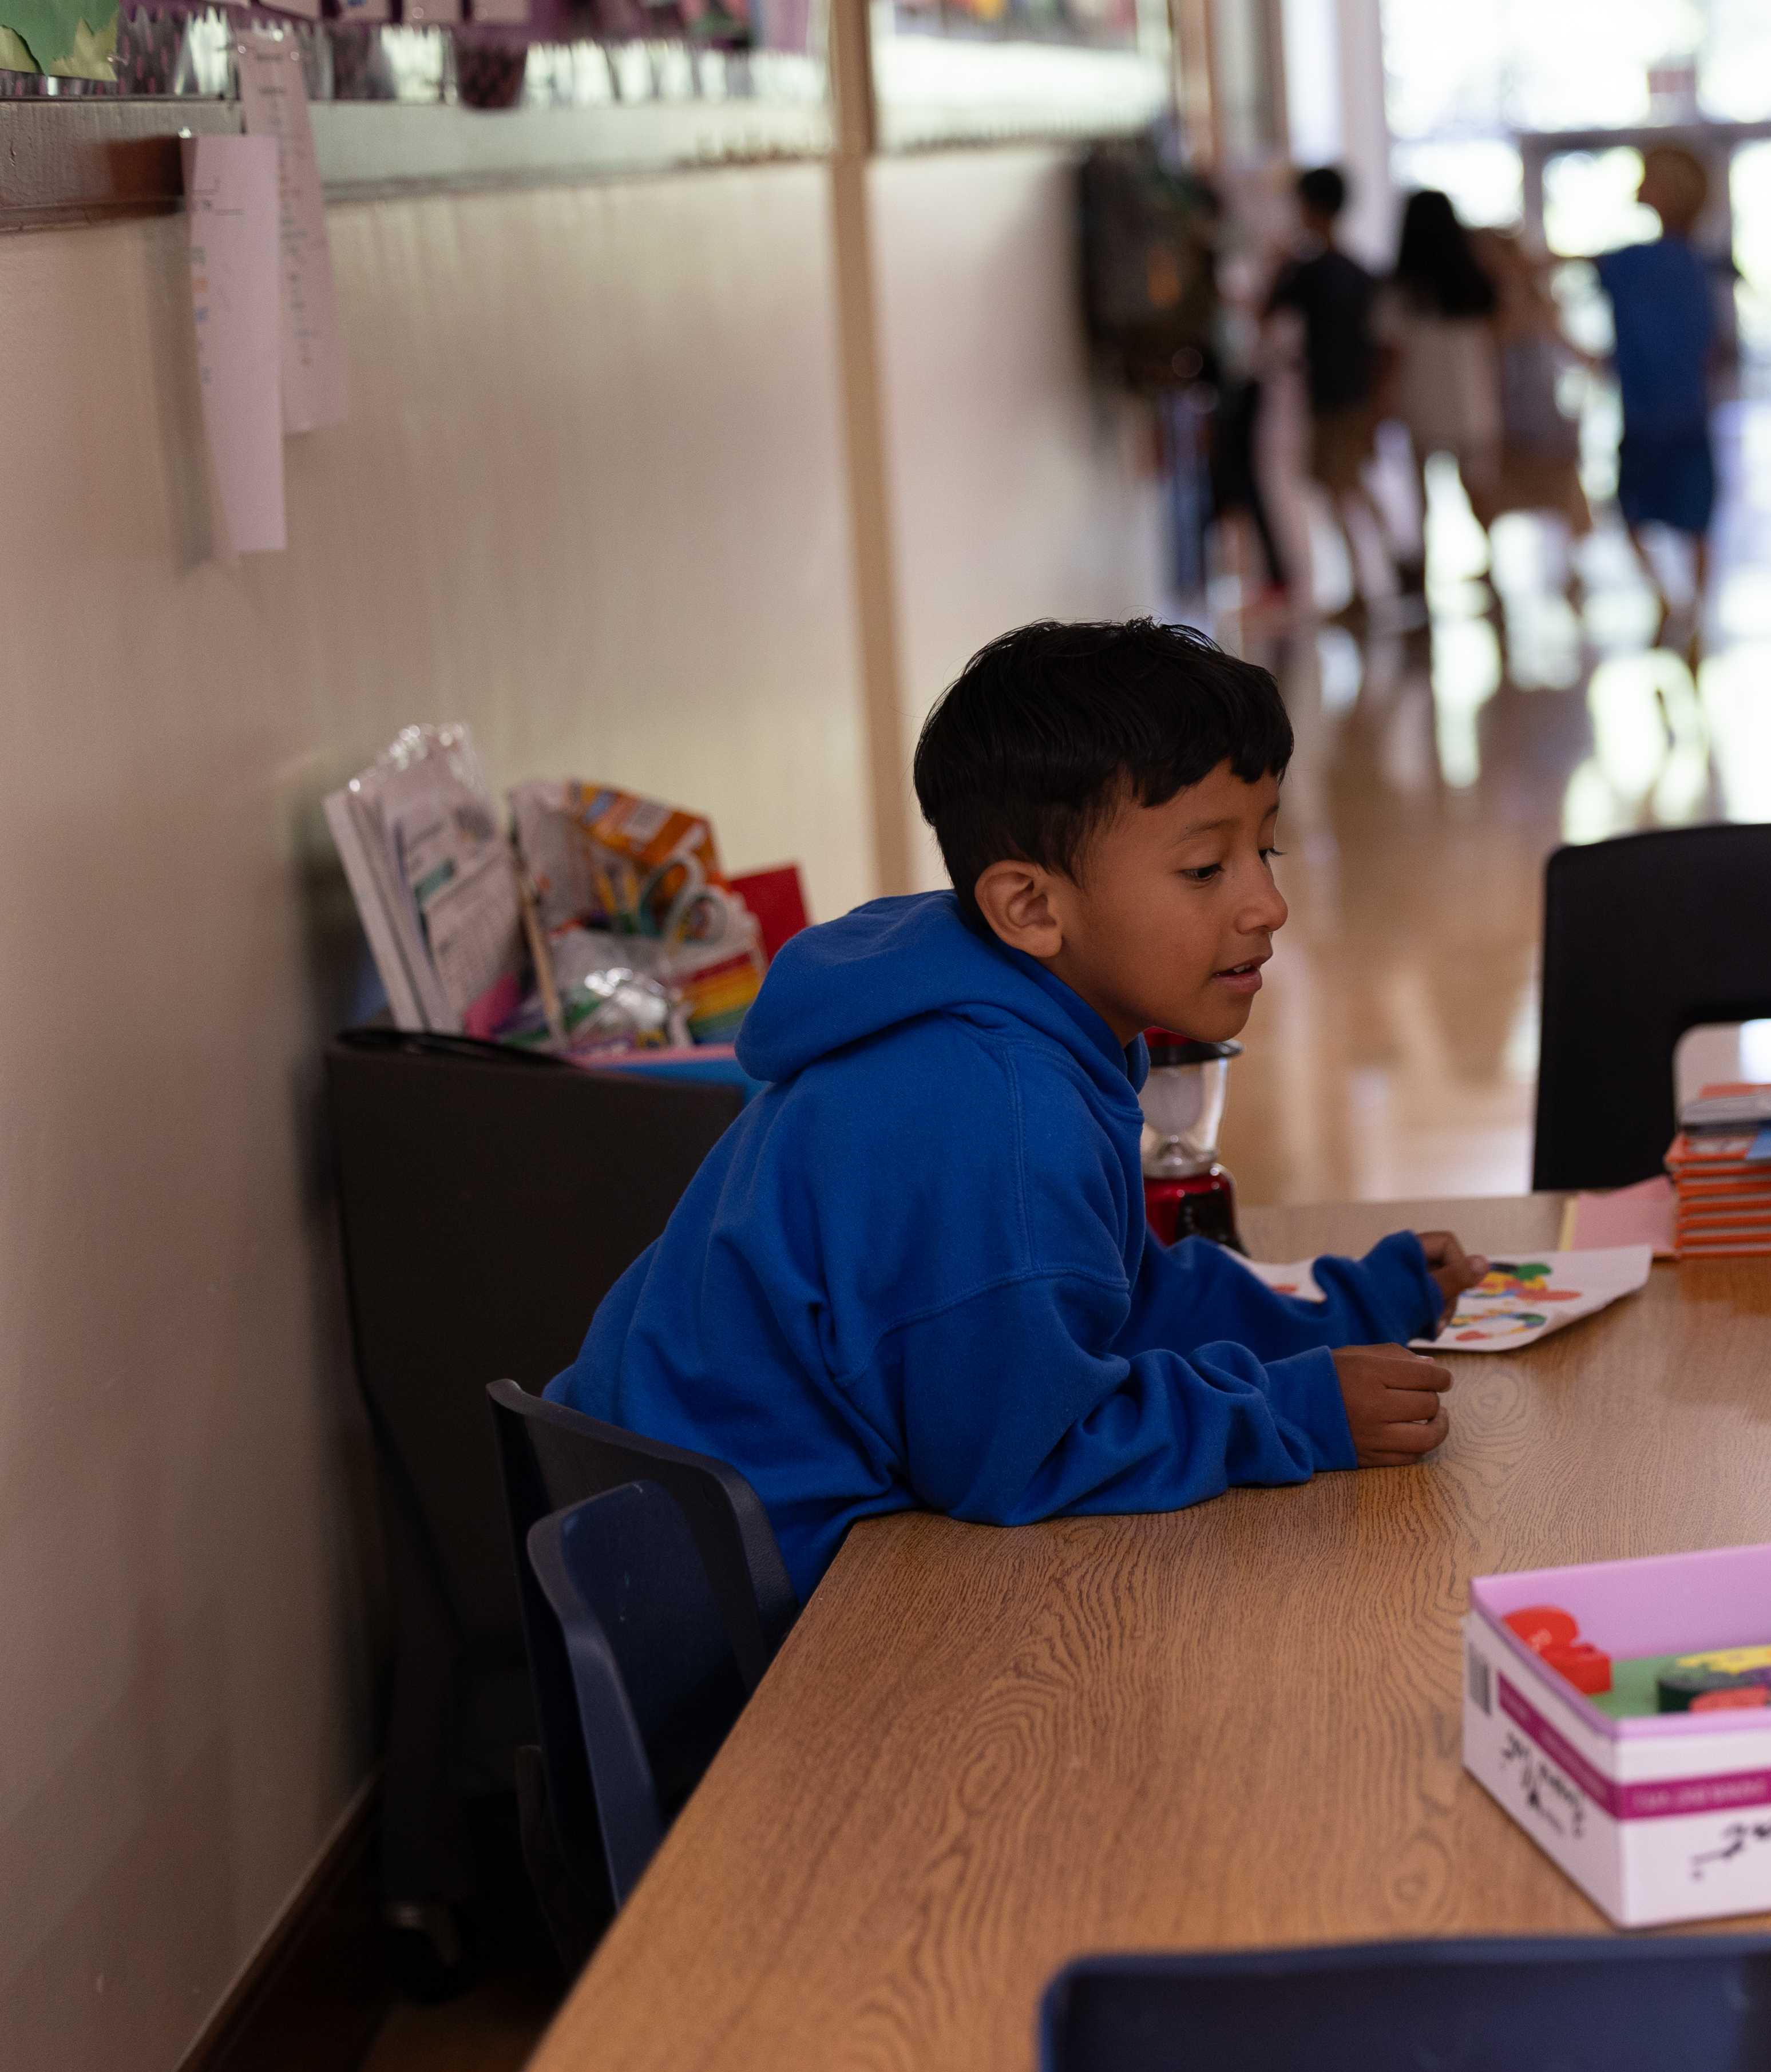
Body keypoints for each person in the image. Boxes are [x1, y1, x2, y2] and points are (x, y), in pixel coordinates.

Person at [549, 621, 1489, 1596]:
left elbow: (1114, 1304)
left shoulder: (1025, 1019)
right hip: (759, 1607)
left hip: (720, 1540)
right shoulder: (998, 1109)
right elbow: (1022, 1451)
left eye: (1266, 846)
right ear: (1031, 907)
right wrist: (1293, 1411)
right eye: (1207, 868)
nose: (1268, 904)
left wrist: (1347, 1312)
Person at [1592, 145, 1724, 660]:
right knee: (1686, 520)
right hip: (1672, 414)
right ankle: (1683, 609)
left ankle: (1682, 608)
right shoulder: (1687, 265)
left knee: (1664, 518)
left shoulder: (1641, 265)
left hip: (1657, 416)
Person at [1266, 167, 1390, 617]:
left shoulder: (1311, 271)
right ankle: (1382, 569)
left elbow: (1267, 316)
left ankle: (1368, 583)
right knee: (1347, 487)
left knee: (1342, 490)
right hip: (1352, 395)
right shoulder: (1358, 271)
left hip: (1334, 398)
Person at [1380, 189, 1504, 600]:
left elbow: (1391, 353)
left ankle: (1422, 567)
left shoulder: (1402, 290)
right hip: (1472, 399)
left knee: (1422, 493)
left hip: (1421, 400)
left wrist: (1382, 404)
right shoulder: (1474, 284)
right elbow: (1495, 341)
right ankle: (1492, 561)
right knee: (1477, 488)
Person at [1468, 226, 1595, 609]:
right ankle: (1491, 561)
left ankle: (1573, 564)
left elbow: (1563, 342)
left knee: (1561, 487)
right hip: (1502, 405)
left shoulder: (1538, 300)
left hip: (1538, 406)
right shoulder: (1486, 304)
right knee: (1491, 486)